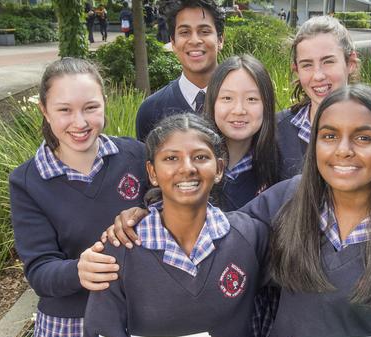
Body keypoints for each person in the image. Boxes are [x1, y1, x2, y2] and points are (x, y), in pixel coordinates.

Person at [80, 85, 371, 337]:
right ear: (314, 143)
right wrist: (144, 213)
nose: (344, 150)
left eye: (364, 137)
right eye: (329, 135)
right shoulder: (289, 201)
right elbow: (210, 226)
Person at [82, 113, 269, 337]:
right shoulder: (120, 249)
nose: (187, 168)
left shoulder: (251, 237)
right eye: (171, 158)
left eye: (201, 157)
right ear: (152, 172)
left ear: (219, 169)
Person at [8, 58, 148, 337]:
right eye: (64, 110)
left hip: (138, 317)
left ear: (104, 104)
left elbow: (166, 204)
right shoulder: (27, 181)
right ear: (44, 111)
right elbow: (40, 270)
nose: (80, 122)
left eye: (90, 107)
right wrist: (78, 271)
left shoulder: (135, 155)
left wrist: (143, 210)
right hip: (70, 326)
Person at [277, 15, 358, 178]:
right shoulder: (276, 131)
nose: (318, 76)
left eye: (328, 62)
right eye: (307, 65)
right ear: (296, 70)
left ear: (350, 63)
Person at [135, 0, 225, 142]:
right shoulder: (151, 110)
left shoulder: (242, 104)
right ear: (173, 43)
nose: (194, 40)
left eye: (204, 31)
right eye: (185, 32)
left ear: (220, 40)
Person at [204, 54, 280, 210]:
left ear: (266, 105)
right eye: (227, 98)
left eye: (251, 99)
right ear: (212, 102)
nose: (239, 110)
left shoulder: (278, 167)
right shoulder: (193, 165)